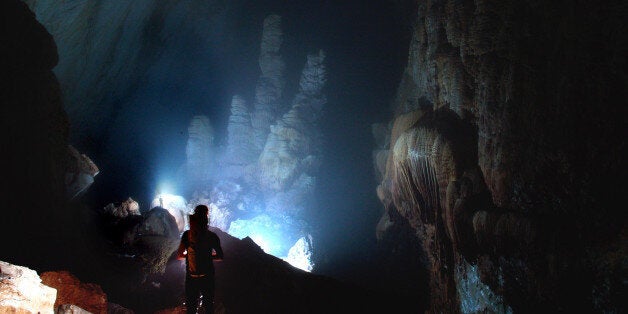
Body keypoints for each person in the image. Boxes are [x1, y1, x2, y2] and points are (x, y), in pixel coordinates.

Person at [178, 205, 224, 314]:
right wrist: (208, 256)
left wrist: (189, 255)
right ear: (206, 219)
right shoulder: (212, 236)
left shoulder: (186, 235)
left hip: (191, 277)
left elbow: (179, 255)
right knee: (208, 306)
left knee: (191, 307)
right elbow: (220, 256)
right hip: (208, 277)